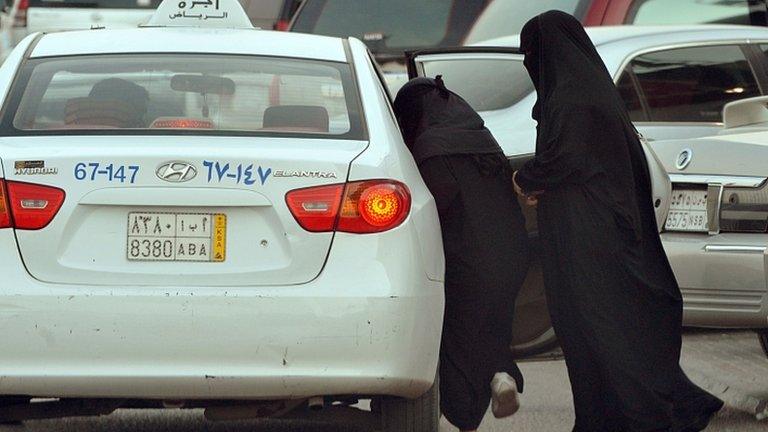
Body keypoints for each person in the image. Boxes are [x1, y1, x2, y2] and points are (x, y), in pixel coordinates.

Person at [513, 10, 724, 432]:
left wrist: (527, 178)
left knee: (601, 329)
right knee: (596, 329)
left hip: (591, 241)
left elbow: (566, 159)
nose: (527, 64)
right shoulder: (581, 93)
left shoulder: (576, 101)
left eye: (530, 53)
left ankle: (641, 416)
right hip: (591, 233)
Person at [394, 77, 530, 432]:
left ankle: (459, 416)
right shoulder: (482, 139)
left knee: (454, 338)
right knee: (492, 327)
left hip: (466, 260)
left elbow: (431, 213)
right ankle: (502, 373)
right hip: (513, 254)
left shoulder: (431, 148)